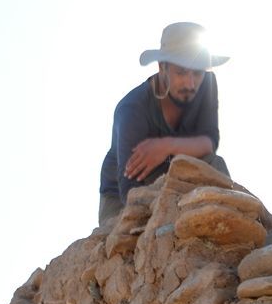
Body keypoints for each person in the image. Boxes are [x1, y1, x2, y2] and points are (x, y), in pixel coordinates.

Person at [98, 22, 230, 224]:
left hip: (176, 177)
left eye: (197, 73)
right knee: (136, 225)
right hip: (122, 197)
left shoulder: (207, 85)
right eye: (181, 73)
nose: (190, 83)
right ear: (162, 67)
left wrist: (166, 147)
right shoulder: (132, 110)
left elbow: (209, 142)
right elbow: (130, 192)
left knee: (215, 164)